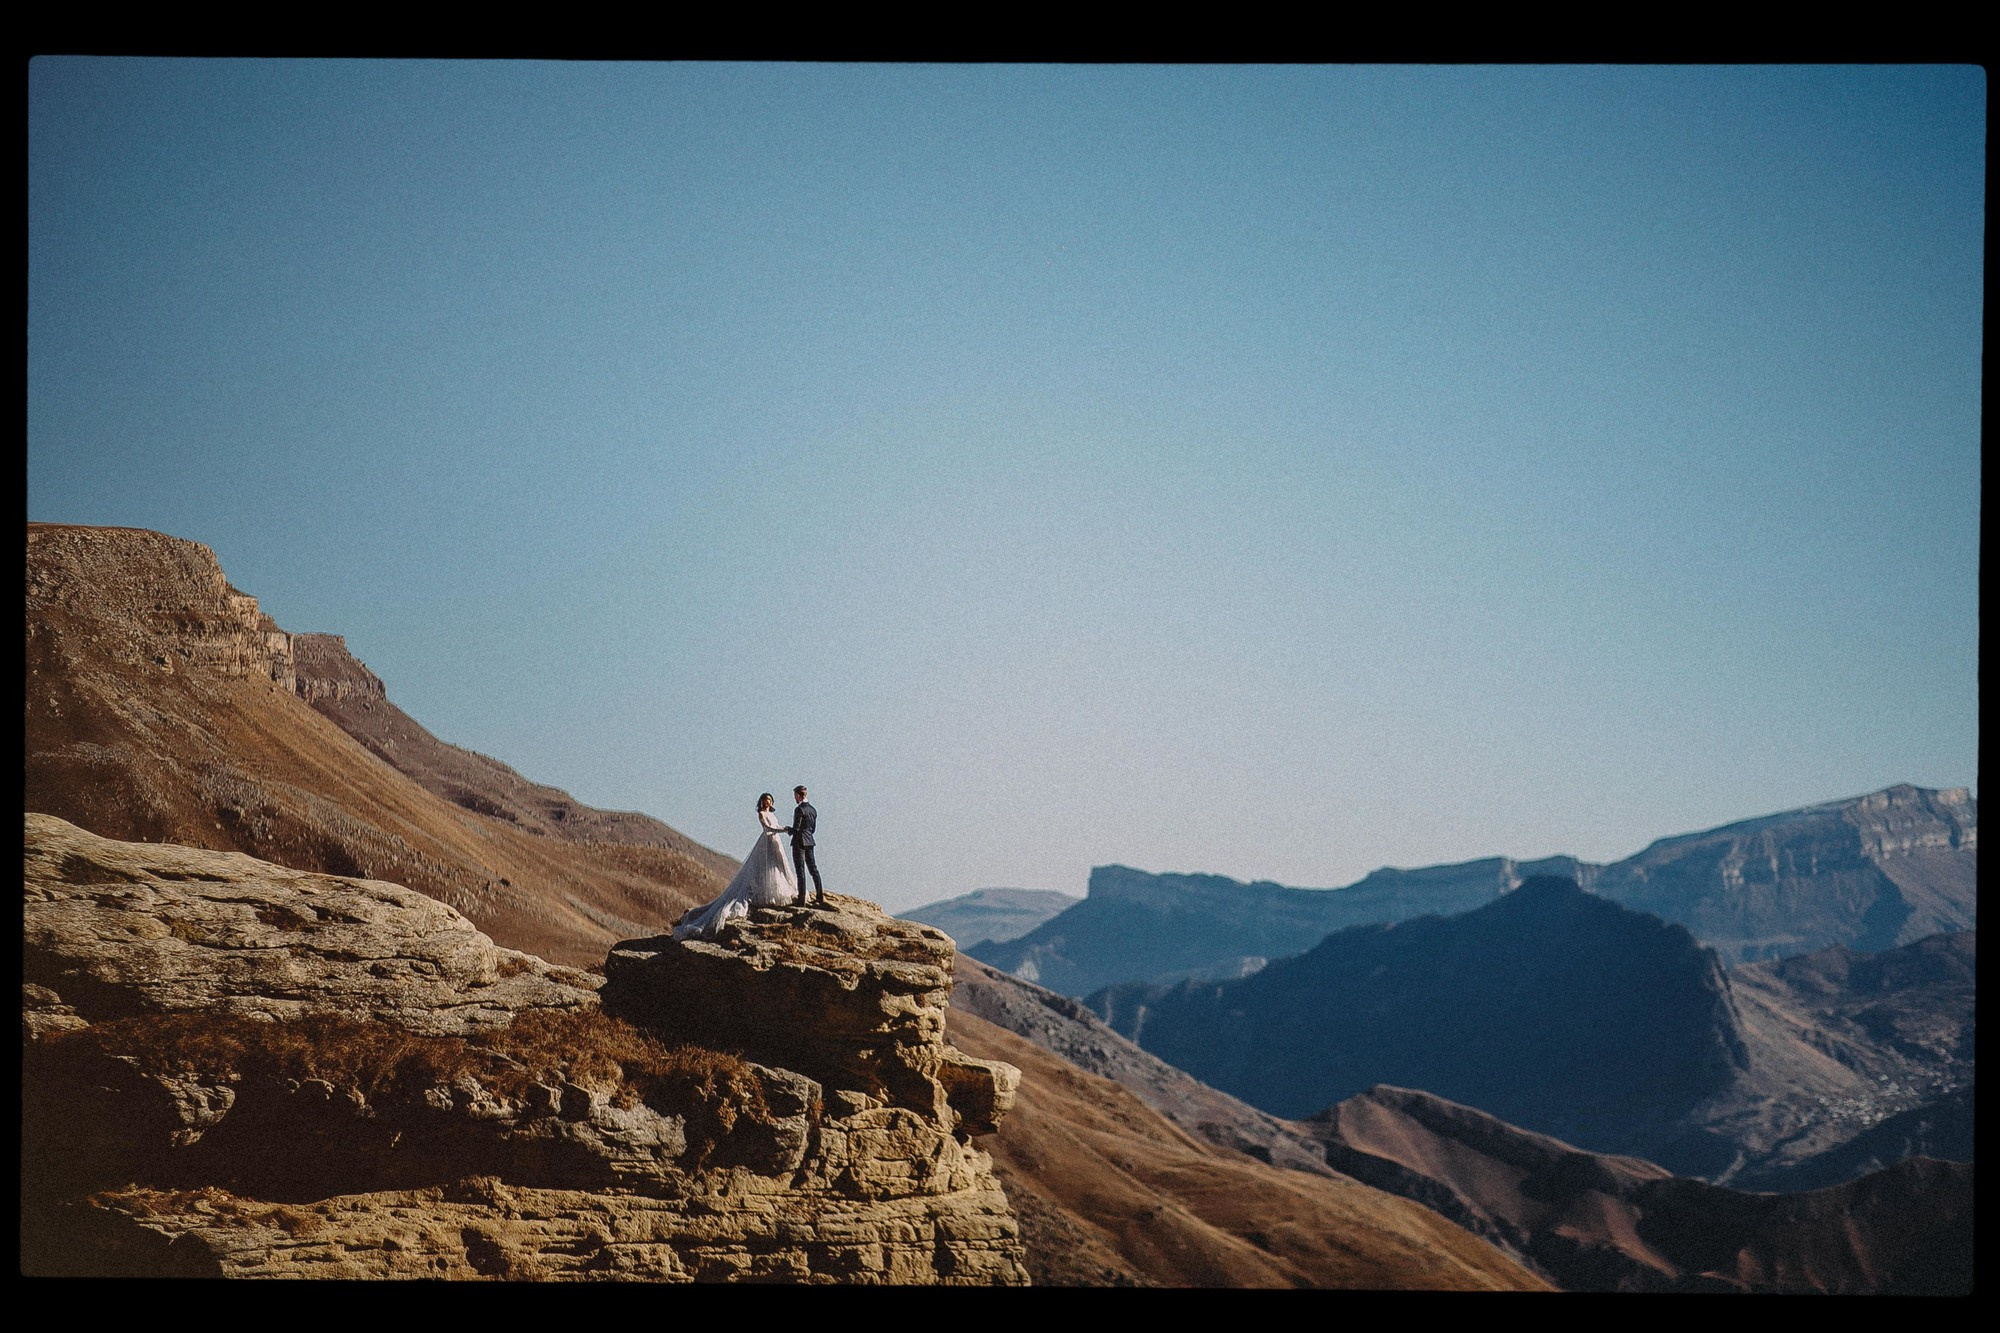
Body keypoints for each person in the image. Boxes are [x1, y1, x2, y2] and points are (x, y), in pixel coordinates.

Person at [672, 794, 800, 941]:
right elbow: (768, 827)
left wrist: (783, 829)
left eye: (770, 800)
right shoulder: (761, 813)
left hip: (775, 841)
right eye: (765, 801)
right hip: (767, 841)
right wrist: (784, 830)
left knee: (777, 865)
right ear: (762, 802)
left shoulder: (772, 813)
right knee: (764, 866)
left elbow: (775, 826)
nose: (768, 803)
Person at [789, 785, 827, 908]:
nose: (795, 798)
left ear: (799, 796)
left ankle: (801, 900)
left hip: (799, 842)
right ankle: (820, 896)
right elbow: (813, 829)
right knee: (813, 869)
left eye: (795, 796)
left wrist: (788, 830)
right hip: (810, 841)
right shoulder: (813, 810)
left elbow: (796, 828)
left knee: (800, 871)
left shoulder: (799, 810)